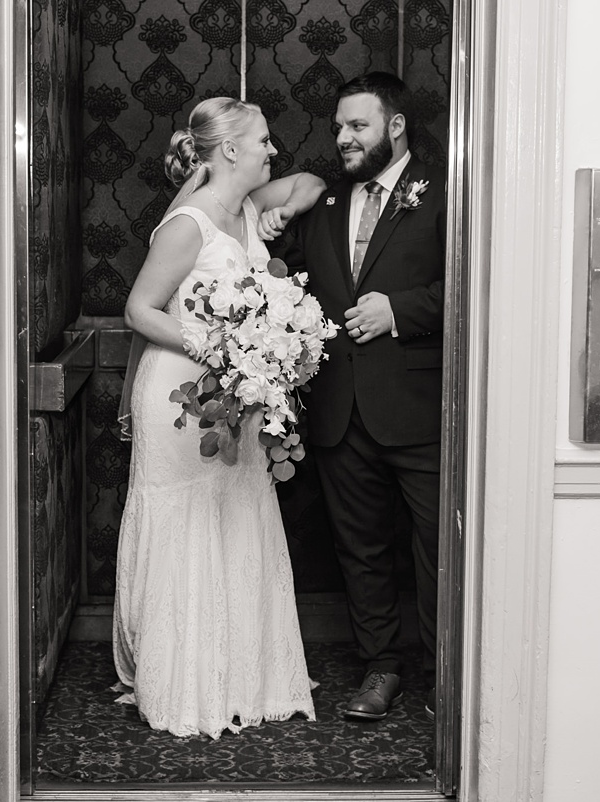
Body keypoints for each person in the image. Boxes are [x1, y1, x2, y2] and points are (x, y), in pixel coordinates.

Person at [114, 97, 327, 739]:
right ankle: (182, 682)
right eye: (264, 140)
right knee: (189, 518)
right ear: (230, 149)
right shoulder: (189, 224)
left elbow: (316, 183)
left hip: (236, 397)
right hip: (182, 399)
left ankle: (239, 676)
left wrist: (284, 210)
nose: (274, 149)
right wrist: (223, 346)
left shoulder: (251, 212)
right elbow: (140, 310)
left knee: (237, 513)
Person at [278, 72, 445, 721]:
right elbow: (292, 281)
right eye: (339, 127)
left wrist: (399, 310)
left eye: (358, 126)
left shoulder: (443, 193)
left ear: (394, 126)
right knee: (361, 551)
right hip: (339, 411)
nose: (343, 138)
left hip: (419, 411)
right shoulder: (323, 205)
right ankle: (381, 670)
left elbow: (476, 285)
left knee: (435, 549)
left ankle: (441, 676)